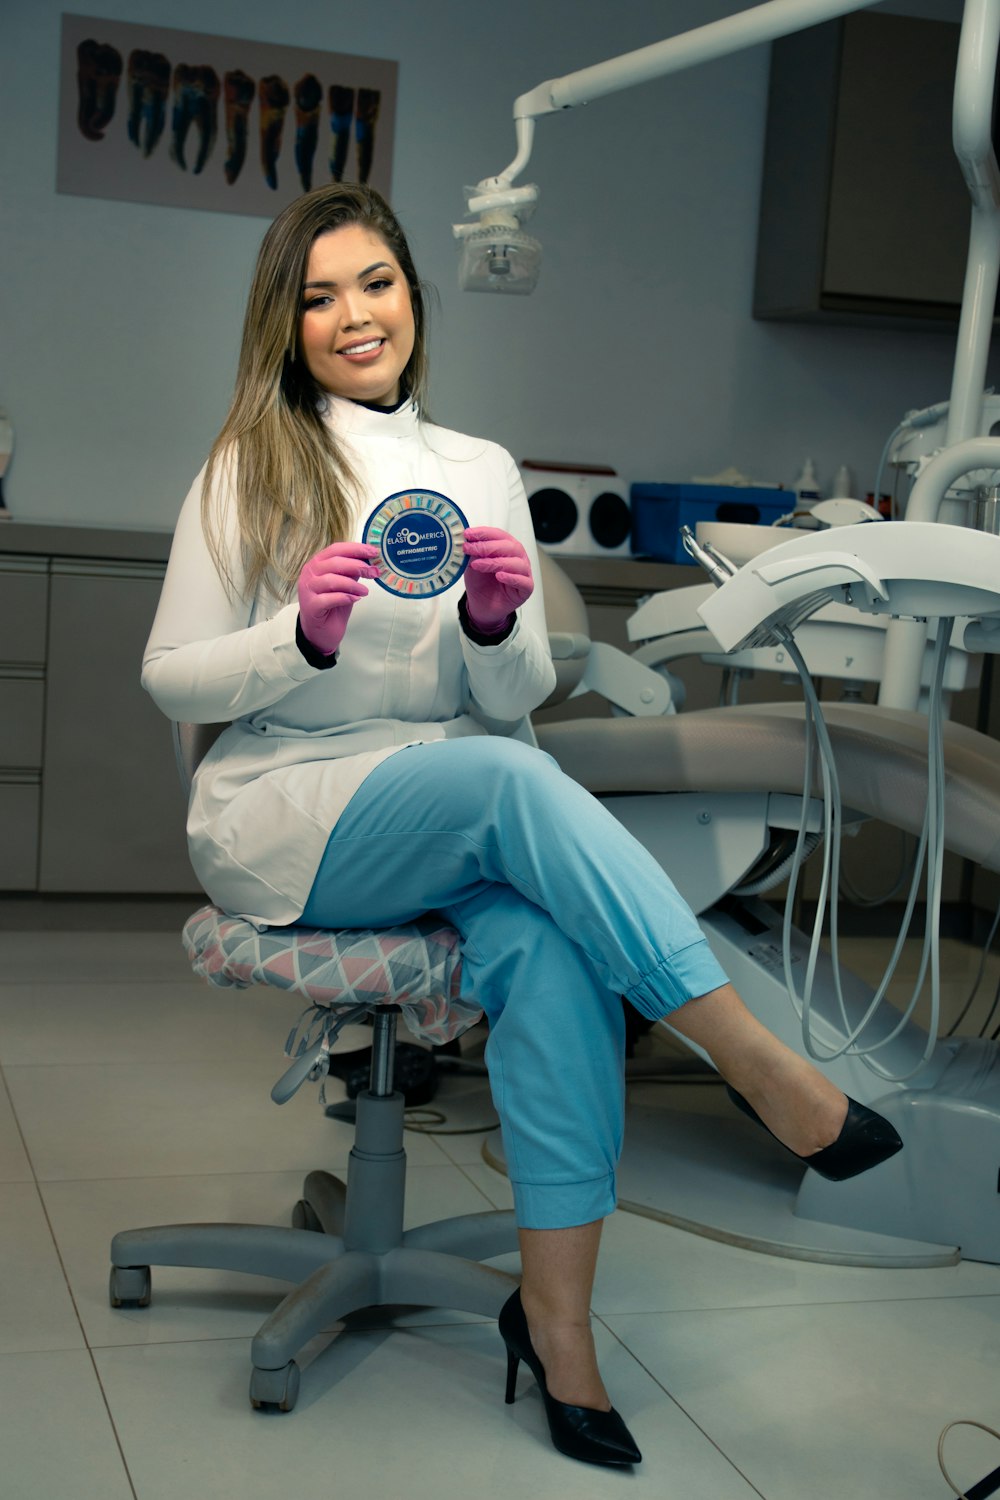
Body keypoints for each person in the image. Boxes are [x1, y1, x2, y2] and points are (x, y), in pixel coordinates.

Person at [142, 183, 902, 1468]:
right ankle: (759, 1064)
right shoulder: (248, 464)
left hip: (446, 789)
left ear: (413, 299)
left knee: (549, 954)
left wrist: (498, 630)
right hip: (288, 809)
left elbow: (503, 699)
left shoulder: (478, 470)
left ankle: (556, 1331)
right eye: (318, 296)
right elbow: (171, 676)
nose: (352, 314)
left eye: (373, 282)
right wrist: (296, 636)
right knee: (510, 784)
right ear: (288, 323)